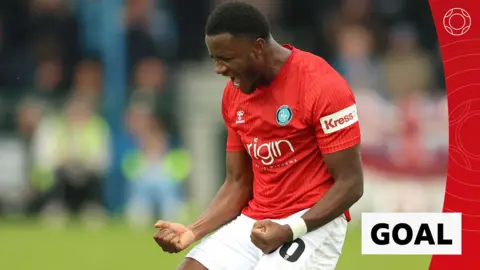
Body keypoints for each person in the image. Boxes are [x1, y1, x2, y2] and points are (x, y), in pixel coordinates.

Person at [153, 1, 364, 269]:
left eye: (226, 59)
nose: (219, 69)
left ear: (258, 48)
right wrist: (192, 231)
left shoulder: (322, 86)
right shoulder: (234, 95)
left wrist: (290, 230)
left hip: (310, 223)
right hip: (256, 222)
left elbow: (351, 183)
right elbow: (238, 183)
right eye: (215, 59)